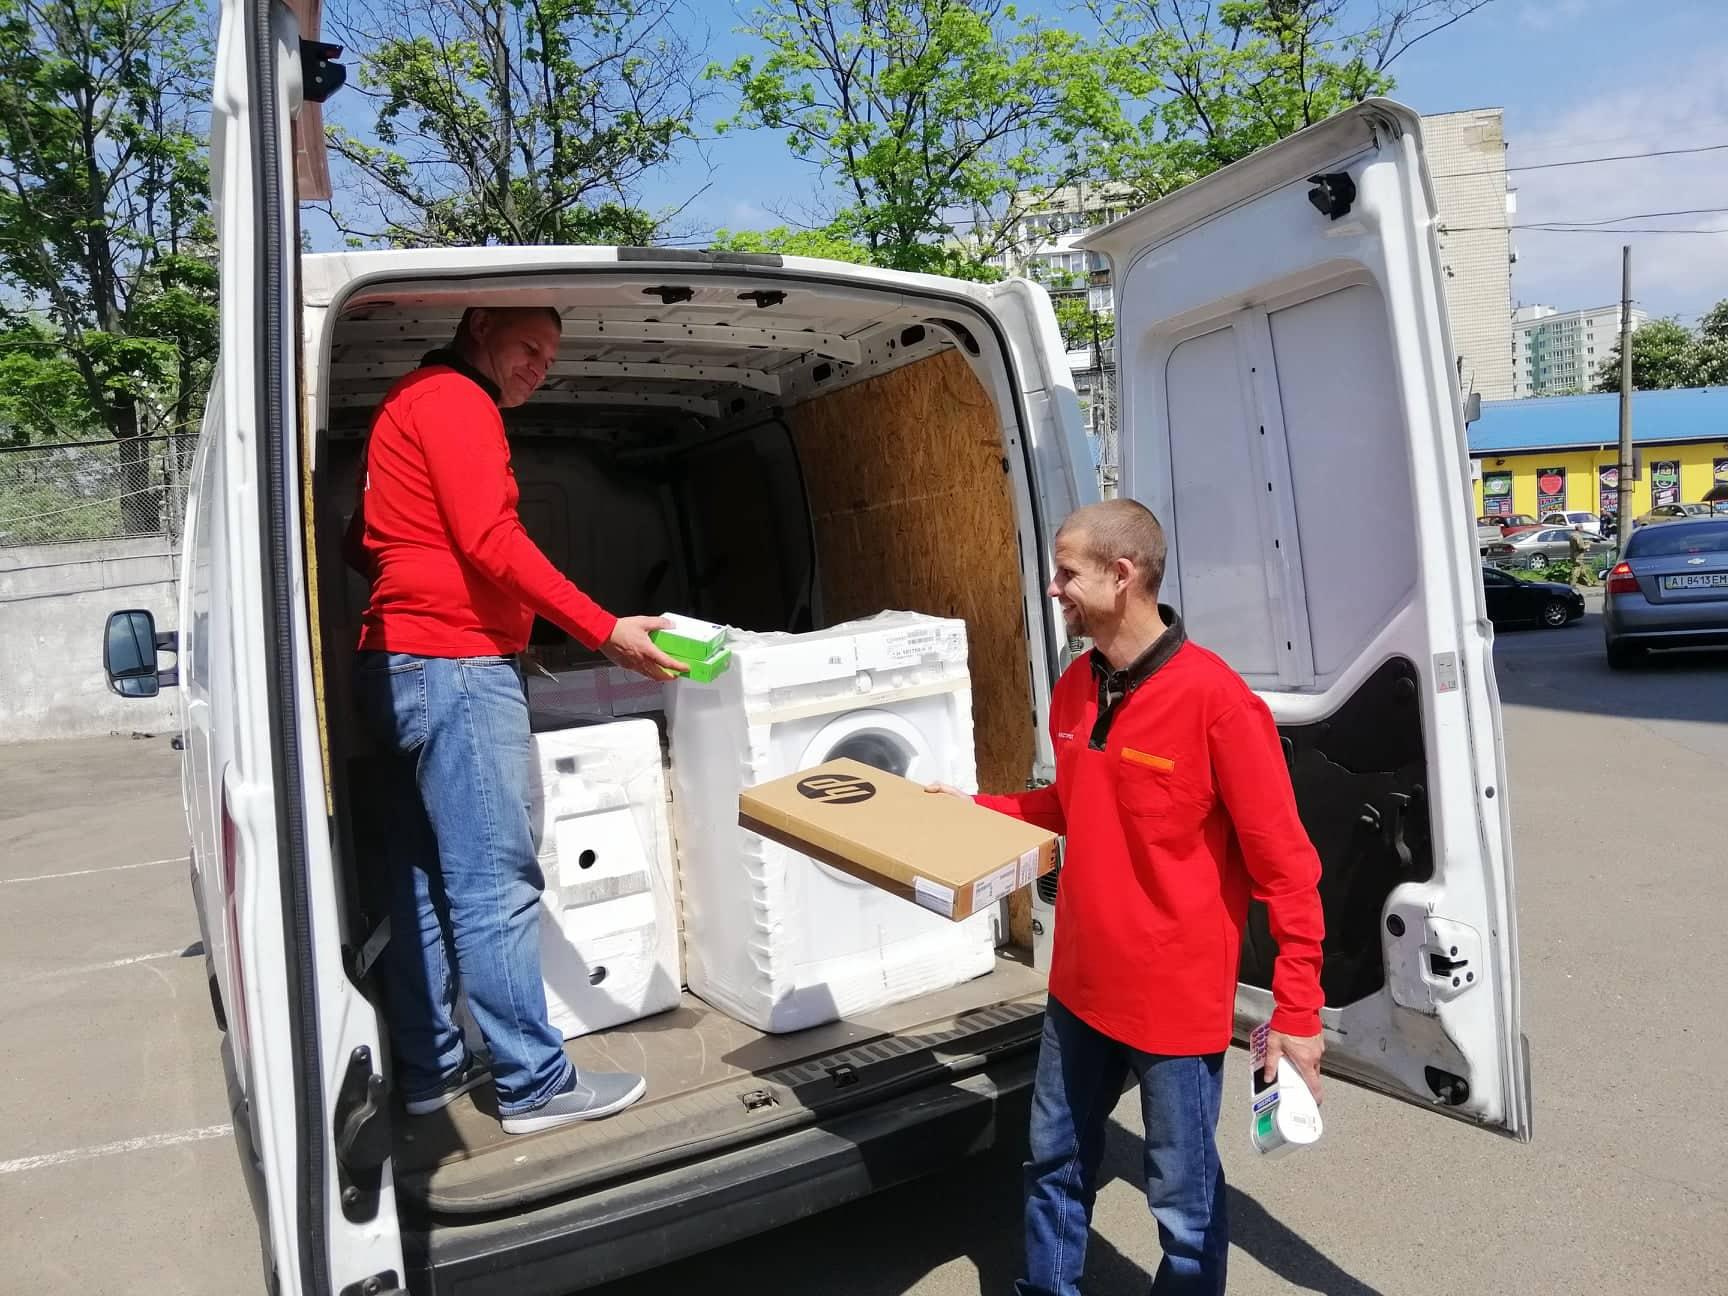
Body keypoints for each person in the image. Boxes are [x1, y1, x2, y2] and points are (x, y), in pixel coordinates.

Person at [932, 499, 1326, 1295]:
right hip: (1080, 988)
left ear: (1122, 575)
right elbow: (1069, 804)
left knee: (1183, 1201)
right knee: (1052, 1162)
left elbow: (1287, 869)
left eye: (1066, 572)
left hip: (1174, 1005)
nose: (1053, 588)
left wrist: (1297, 1012)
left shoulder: (1218, 703)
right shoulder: (1077, 686)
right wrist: (973, 811)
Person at [346, 305, 687, 1136]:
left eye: (551, 355)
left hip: (396, 662)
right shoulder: (458, 399)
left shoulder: (408, 402)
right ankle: (534, 1084)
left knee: (420, 881)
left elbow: (364, 540)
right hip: (457, 665)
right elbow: (490, 538)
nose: (540, 365)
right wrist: (603, 630)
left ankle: (430, 1068)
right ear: (479, 328)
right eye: (528, 346)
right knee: (494, 880)